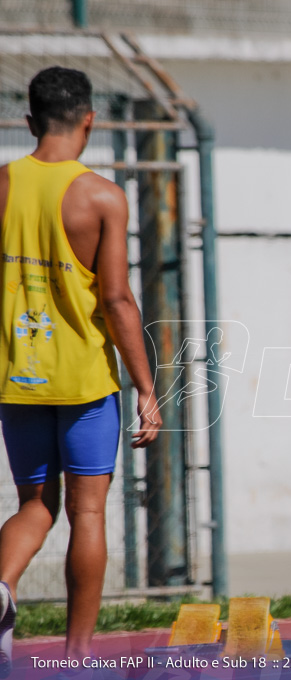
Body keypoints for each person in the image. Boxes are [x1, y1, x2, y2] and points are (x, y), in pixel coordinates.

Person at [0, 66, 162, 672]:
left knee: (34, 505)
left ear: (29, 120)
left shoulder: (3, 185)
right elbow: (118, 300)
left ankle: (1, 585)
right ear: (88, 120)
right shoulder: (101, 196)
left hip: (17, 376)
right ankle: (77, 655)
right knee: (86, 511)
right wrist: (146, 387)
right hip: (86, 381)